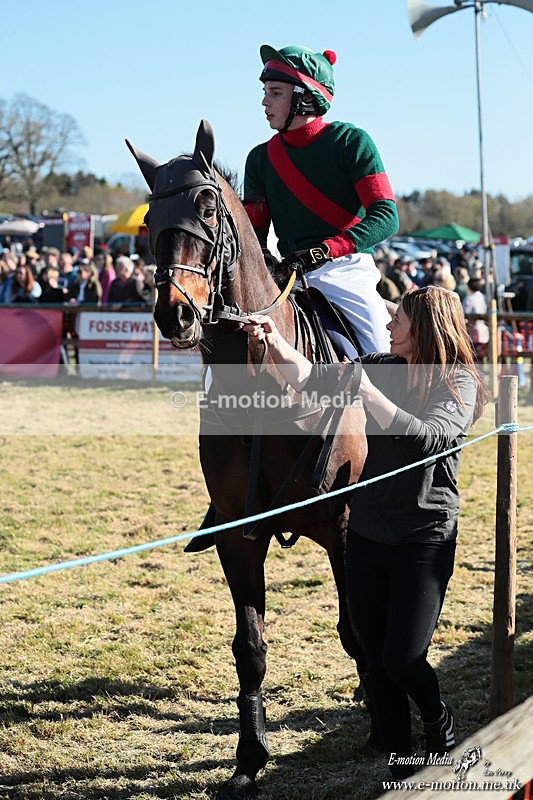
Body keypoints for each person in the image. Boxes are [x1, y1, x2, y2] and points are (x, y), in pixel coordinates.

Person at [239, 285, 489, 777]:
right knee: (376, 662)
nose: (389, 326)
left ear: (426, 329)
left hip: (423, 537)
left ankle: (439, 717)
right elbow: (312, 378)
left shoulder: (458, 383)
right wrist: (273, 341)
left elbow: (428, 439)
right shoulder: (384, 366)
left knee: (403, 657)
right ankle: (401, 763)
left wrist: (368, 394)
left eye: (399, 321)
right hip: (370, 534)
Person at [243, 44, 398, 355]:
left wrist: (327, 249)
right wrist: (265, 259)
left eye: (275, 92)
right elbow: (254, 234)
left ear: (304, 97)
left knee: (381, 355)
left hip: (346, 270)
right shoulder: (259, 158)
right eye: (265, 91)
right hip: (286, 276)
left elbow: (386, 215)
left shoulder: (351, 142)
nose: (264, 101)